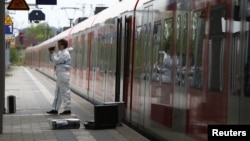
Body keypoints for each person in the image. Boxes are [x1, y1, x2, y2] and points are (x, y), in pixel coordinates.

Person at [47, 39, 72, 115]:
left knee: (65, 92)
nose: (58, 46)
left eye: (59, 44)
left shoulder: (65, 53)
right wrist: (52, 53)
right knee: (58, 91)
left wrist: (53, 53)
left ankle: (67, 109)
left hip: (63, 74)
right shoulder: (60, 52)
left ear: (63, 45)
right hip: (60, 74)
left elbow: (57, 60)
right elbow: (52, 60)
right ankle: (55, 109)